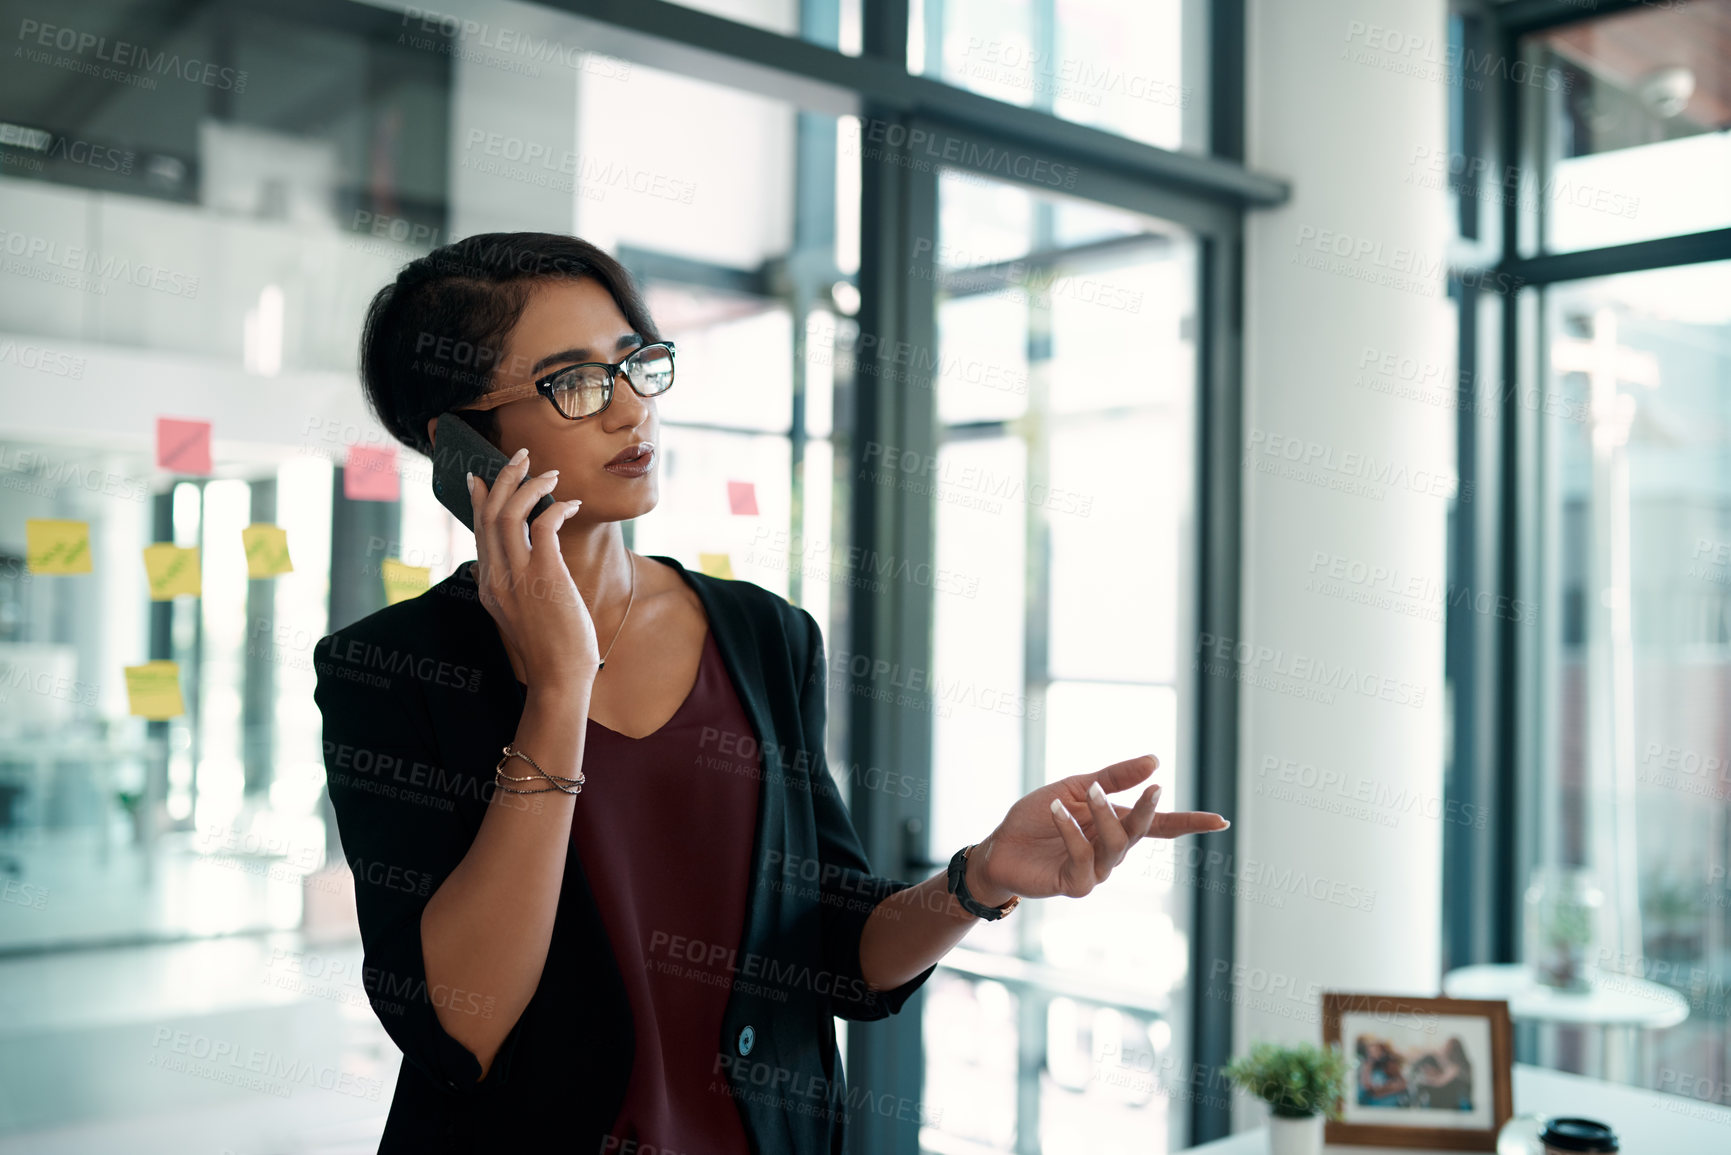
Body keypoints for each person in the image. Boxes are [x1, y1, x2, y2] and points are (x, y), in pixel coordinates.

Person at [313, 232, 1232, 1153]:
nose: (629, 407)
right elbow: (456, 1028)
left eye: (636, 363)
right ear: (460, 445)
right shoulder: (387, 670)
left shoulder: (761, 636)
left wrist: (977, 879)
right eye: (576, 382)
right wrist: (558, 687)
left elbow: (838, 951)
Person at [1411, 1036, 1474, 1111]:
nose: (1443, 1050)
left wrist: (1426, 1080)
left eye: (1446, 1048)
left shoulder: (1457, 1067)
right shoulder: (1458, 1065)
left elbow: (1440, 1082)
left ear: (1452, 1051)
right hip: (1454, 1101)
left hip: (1460, 1105)